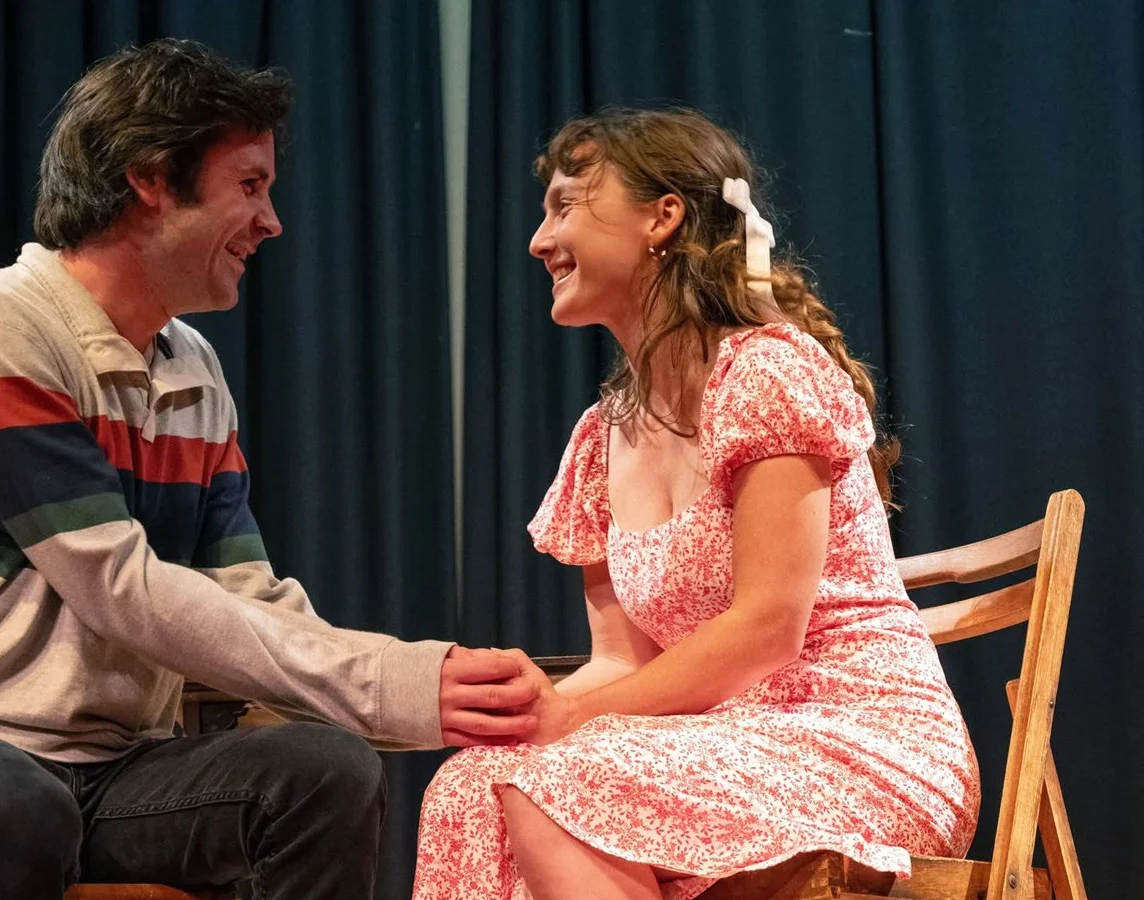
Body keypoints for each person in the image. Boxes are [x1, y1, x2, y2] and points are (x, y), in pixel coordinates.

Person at [0, 39, 540, 900]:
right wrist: (392, 684)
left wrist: (422, 688)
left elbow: (245, 598)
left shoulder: (193, 369)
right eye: (249, 185)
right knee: (12, 805)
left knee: (326, 774)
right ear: (149, 178)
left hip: (105, 772)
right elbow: (121, 588)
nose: (272, 222)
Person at [412, 108, 980, 900]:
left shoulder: (765, 374)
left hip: (854, 736)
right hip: (714, 743)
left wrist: (572, 726)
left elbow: (766, 629)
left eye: (565, 205)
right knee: (468, 789)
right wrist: (533, 712)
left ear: (662, 216)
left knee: (558, 783)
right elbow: (623, 663)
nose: (540, 241)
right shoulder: (601, 438)